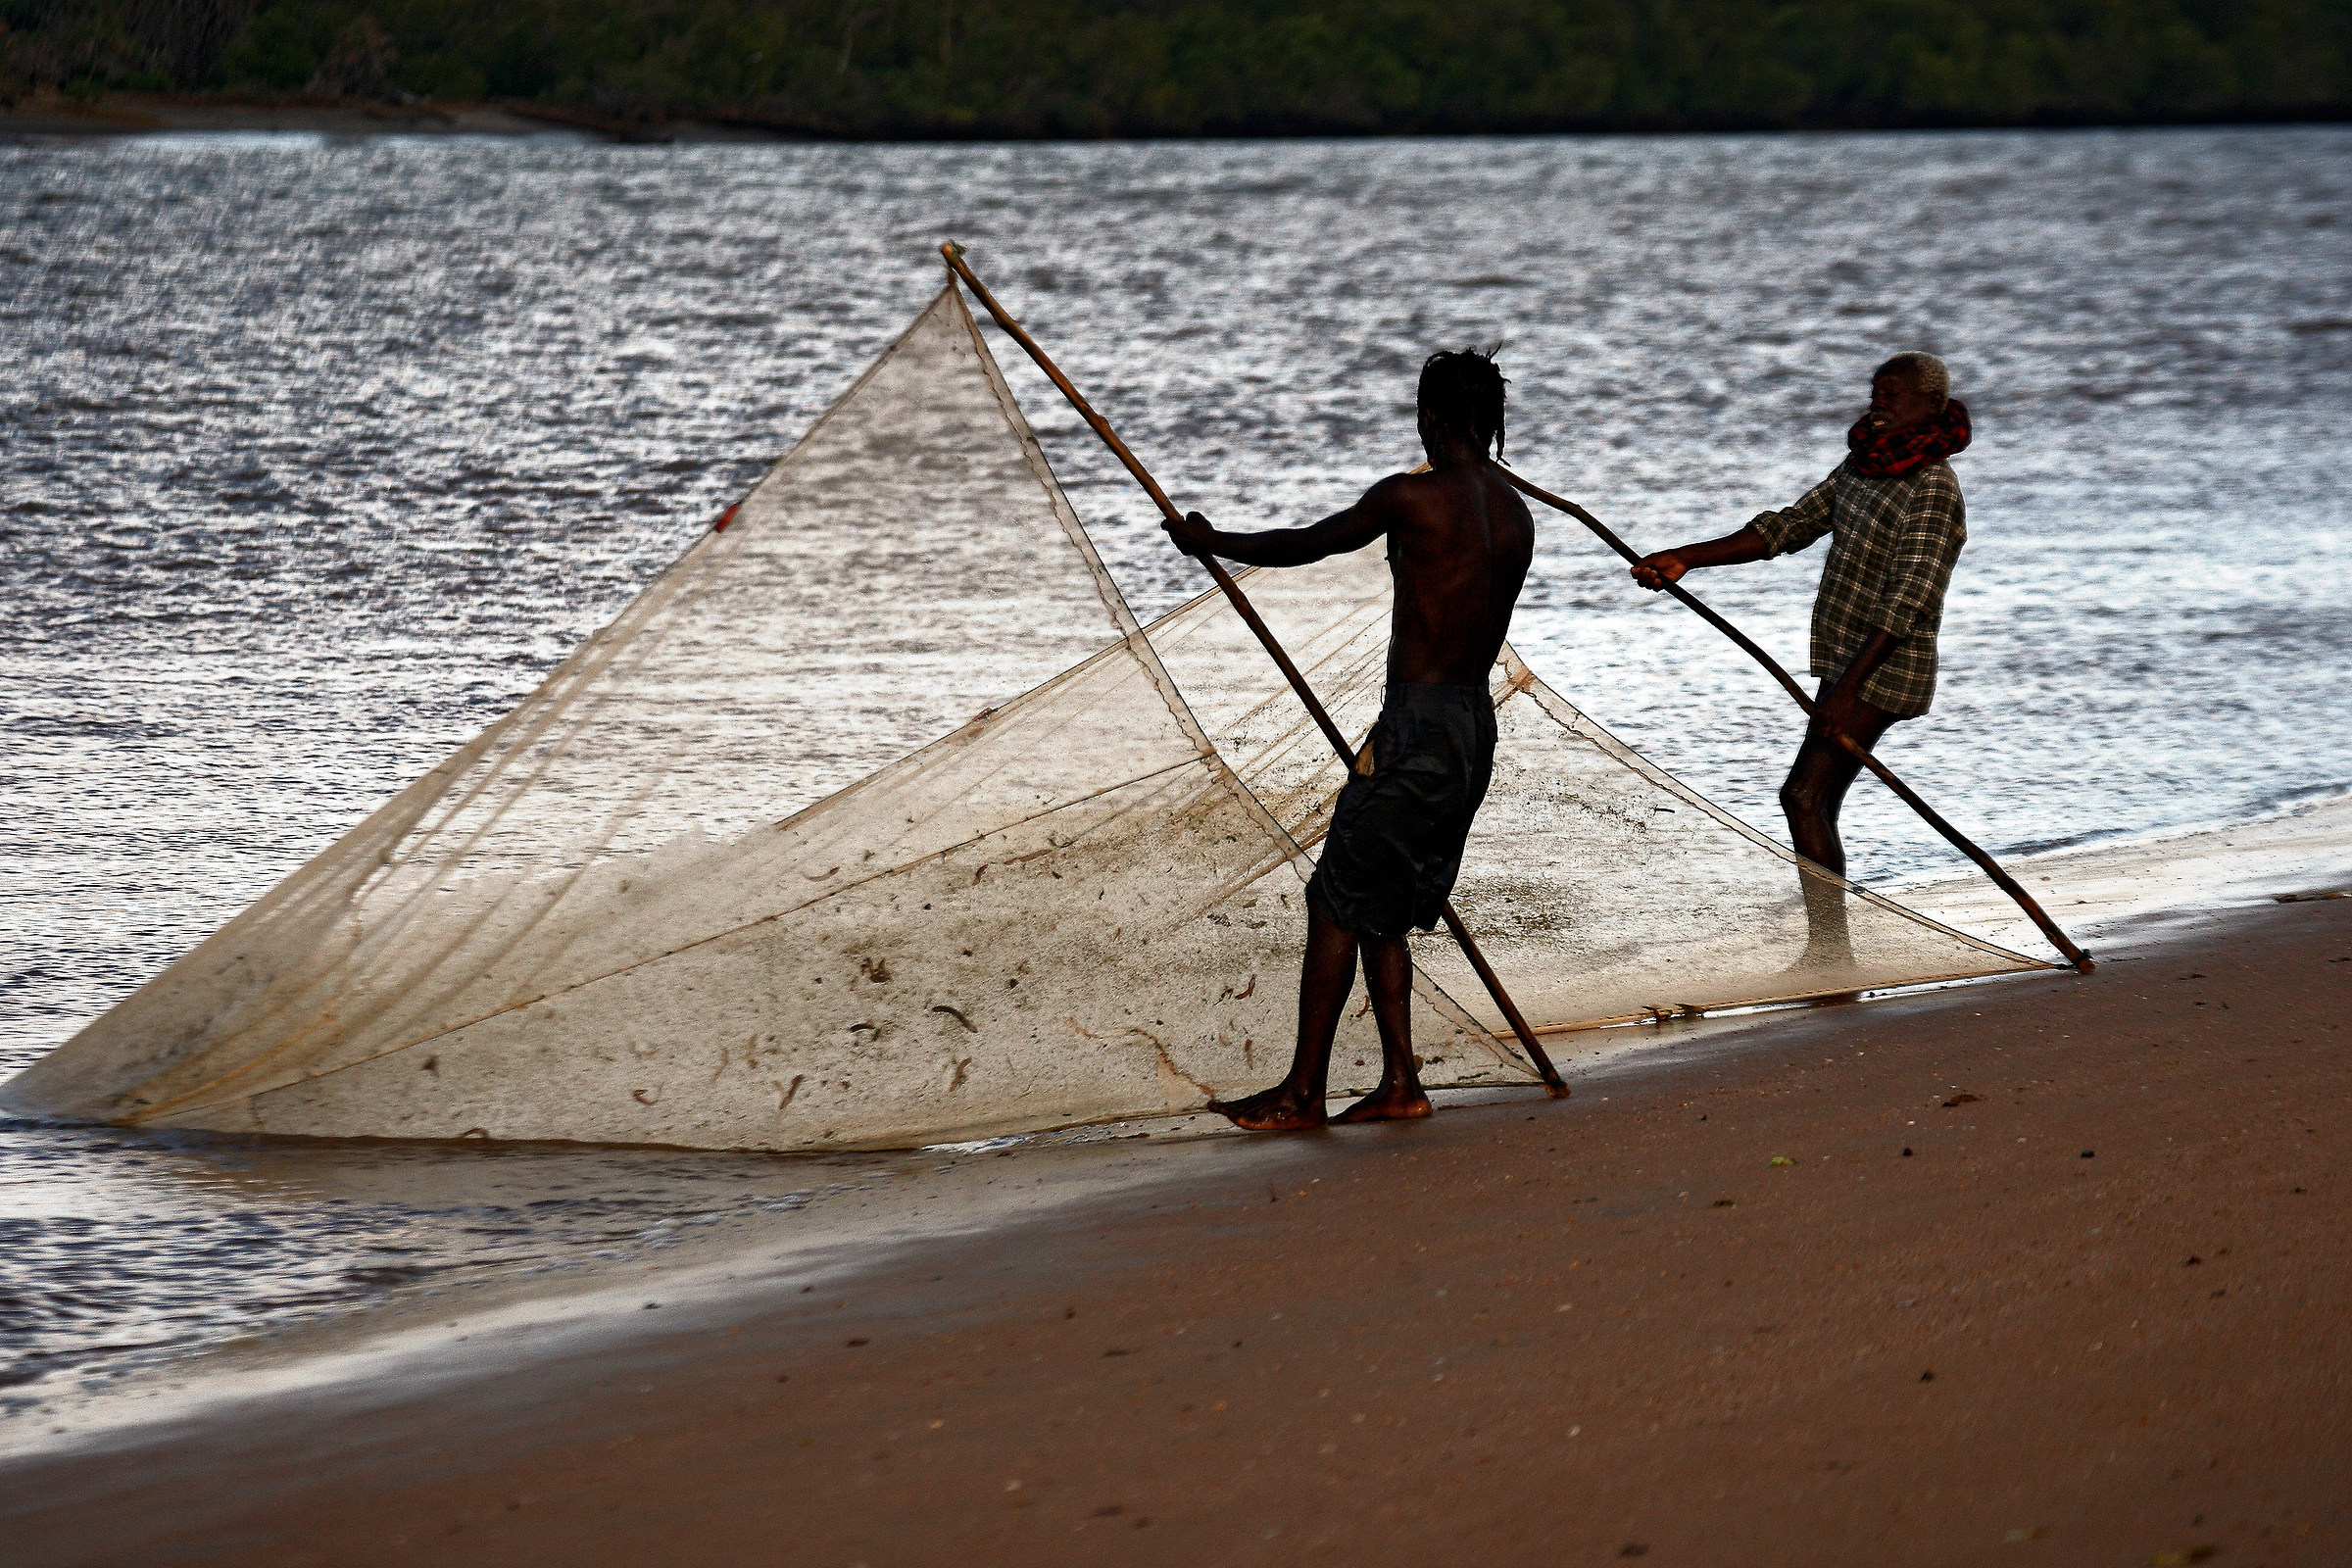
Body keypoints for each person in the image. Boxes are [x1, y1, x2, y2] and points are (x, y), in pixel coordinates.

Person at [1162, 351, 1534, 1131]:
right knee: (1382, 902)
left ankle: (1301, 1093)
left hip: (1419, 725)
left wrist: (1211, 539)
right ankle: (1401, 1082)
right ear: (1490, 422)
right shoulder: (1514, 511)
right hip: (1472, 727)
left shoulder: (1412, 498)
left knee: (1334, 897)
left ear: (1430, 417)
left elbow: (1311, 542)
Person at [1631, 351, 1971, 963]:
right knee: (1813, 798)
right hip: (1848, 662)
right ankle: (1830, 946)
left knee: (1804, 797)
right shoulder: (1864, 467)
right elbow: (1787, 528)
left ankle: (1830, 951)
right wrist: (1684, 557)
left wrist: (1846, 692)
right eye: (1876, 391)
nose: (1879, 402)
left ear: (1929, 407)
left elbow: (1910, 601)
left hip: (1884, 665)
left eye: (1893, 395)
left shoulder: (1933, 487)